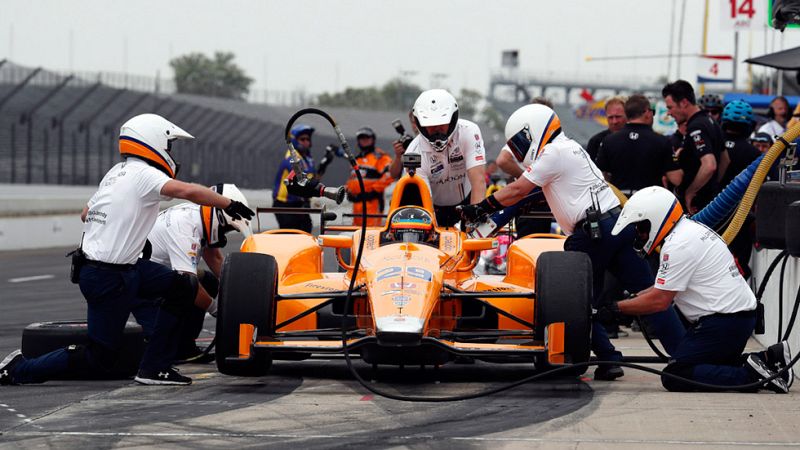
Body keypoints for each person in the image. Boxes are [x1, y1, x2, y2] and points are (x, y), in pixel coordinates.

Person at [0, 113, 255, 386]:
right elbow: (189, 191)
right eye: (169, 146)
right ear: (153, 142)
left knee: (184, 286)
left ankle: (155, 367)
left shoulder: (115, 173)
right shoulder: (143, 174)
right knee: (100, 356)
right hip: (107, 276)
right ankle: (19, 369)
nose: (171, 153)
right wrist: (226, 203)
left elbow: (86, 213)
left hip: (122, 269)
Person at [458, 104, 685, 381]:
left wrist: (480, 207)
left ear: (535, 130)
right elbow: (542, 192)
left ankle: (608, 358)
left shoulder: (551, 153)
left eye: (521, 141)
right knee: (651, 295)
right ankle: (684, 356)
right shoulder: (570, 148)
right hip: (617, 223)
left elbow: (518, 189)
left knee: (571, 300)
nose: (520, 148)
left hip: (593, 232)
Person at [605, 186, 792, 393]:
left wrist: (616, 309)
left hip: (725, 322)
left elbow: (660, 300)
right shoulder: (688, 231)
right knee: (706, 366)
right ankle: (769, 358)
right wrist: (631, 301)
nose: (640, 234)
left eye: (642, 227)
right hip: (735, 319)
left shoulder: (678, 245)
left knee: (676, 374)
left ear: (657, 218)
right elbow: (664, 287)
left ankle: (752, 377)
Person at [144, 183, 252, 364]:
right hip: (143, 285)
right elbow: (189, 283)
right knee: (188, 288)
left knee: (208, 281)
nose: (226, 234)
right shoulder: (185, 228)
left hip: (157, 273)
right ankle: (180, 348)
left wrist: (239, 292)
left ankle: (185, 344)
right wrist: (218, 311)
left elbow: (215, 258)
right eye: (228, 228)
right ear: (219, 216)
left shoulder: (198, 215)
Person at [389, 89, 486, 227]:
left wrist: (474, 220)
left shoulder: (469, 131)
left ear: (452, 119)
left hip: (466, 201)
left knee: (476, 229)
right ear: (420, 124)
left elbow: (478, 181)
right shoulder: (413, 151)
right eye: (430, 125)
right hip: (433, 205)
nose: (437, 129)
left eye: (441, 123)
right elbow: (425, 198)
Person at [596, 94, 683, 194]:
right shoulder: (661, 142)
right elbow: (677, 179)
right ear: (647, 112)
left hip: (620, 201)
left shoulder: (608, 141)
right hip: (650, 200)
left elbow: (601, 177)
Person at [662, 80, 726, 214]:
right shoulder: (711, 121)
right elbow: (725, 159)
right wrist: (712, 186)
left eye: (670, 107)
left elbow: (710, 165)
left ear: (684, 103)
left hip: (697, 205)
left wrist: (691, 191)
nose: (668, 113)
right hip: (710, 200)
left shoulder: (696, 126)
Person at [345, 127, 394, 226]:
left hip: (372, 202)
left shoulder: (379, 157)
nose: (364, 140)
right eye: (361, 138)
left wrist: (374, 191)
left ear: (373, 139)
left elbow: (390, 175)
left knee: (371, 234)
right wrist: (348, 190)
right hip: (357, 203)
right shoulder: (357, 159)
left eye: (367, 137)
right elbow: (353, 178)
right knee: (357, 232)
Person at [272, 124, 316, 233]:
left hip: (299, 204)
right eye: (302, 139)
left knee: (306, 233)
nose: (306, 142)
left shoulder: (307, 158)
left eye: (307, 139)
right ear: (295, 140)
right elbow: (302, 180)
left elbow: (313, 179)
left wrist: (325, 163)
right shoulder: (292, 158)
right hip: (285, 205)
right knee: (290, 239)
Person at [585, 97, 626, 162]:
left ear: (627, 115)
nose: (614, 121)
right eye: (610, 117)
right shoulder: (596, 141)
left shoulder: (636, 140)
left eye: (618, 117)